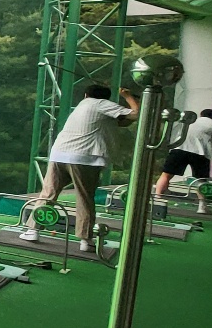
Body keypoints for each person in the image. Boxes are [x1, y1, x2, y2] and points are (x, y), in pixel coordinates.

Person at [21, 85, 139, 251]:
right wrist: (128, 96)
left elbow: (122, 122)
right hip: (84, 158)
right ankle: (86, 240)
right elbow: (136, 113)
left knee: (48, 194)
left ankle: (33, 230)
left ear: (85, 95)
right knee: (85, 198)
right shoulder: (100, 104)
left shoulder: (83, 106)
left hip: (59, 154)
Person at [155, 108, 212, 214]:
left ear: (201, 114)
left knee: (166, 175)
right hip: (200, 153)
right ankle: (202, 207)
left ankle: (157, 200)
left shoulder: (189, 121)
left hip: (179, 149)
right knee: (201, 180)